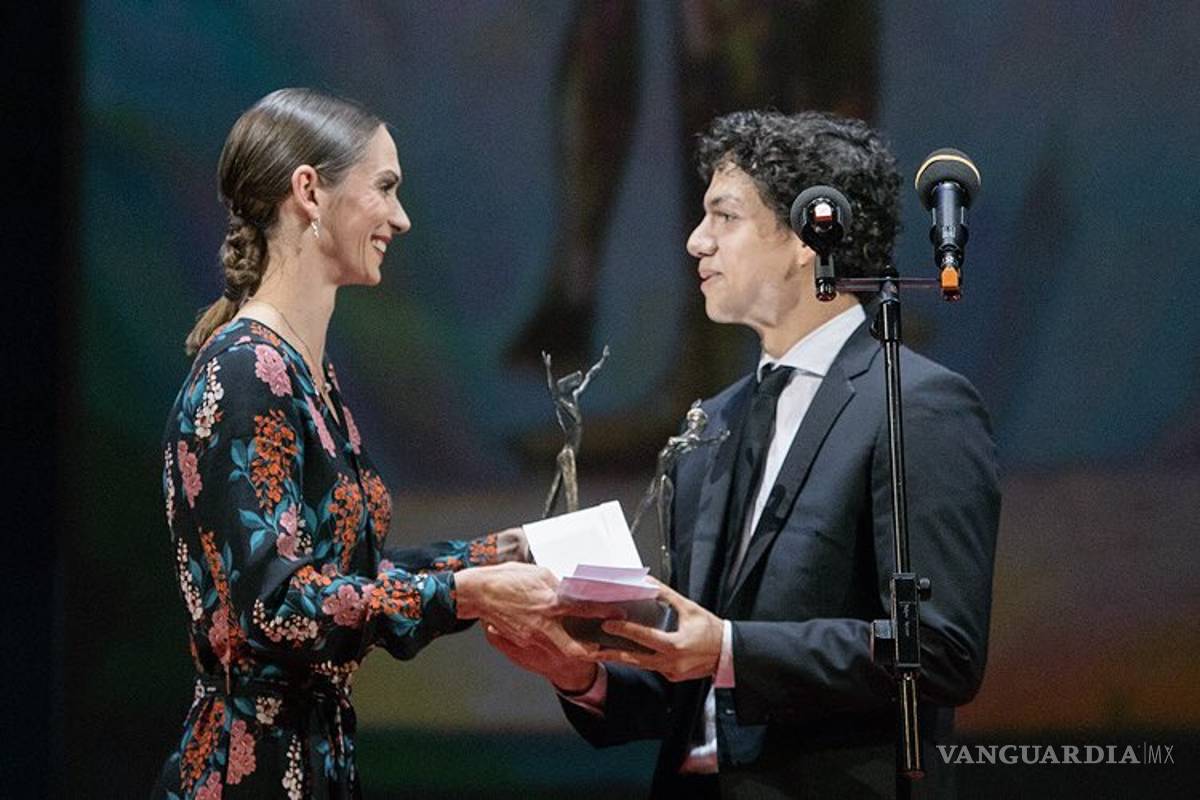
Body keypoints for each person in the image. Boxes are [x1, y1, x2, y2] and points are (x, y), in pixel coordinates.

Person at [488, 110, 1001, 798]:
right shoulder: (717, 418)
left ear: (808, 233)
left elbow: (942, 650)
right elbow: (690, 679)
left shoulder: (919, 405)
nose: (697, 241)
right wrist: (582, 672)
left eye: (724, 217)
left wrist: (731, 649)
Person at [154, 88, 593, 799]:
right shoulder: (248, 372)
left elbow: (345, 572)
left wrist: (502, 554)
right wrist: (465, 592)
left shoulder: (301, 370)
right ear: (309, 191)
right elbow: (279, 609)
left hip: (314, 763)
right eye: (384, 188)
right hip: (252, 777)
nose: (401, 217)